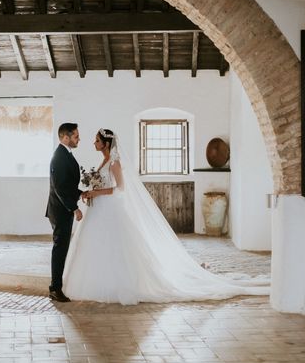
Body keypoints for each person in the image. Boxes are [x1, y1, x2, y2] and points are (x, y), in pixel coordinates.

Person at [62, 128, 269, 305]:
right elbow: (104, 185)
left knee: (117, 248)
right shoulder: (104, 161)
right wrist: (92, 192)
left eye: (97, 140)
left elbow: (120, 188)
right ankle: (100, 281)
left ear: (106, 143)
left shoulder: (115, 162)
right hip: (100, 209)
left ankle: (118, 284)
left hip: (111, 210)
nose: (94, 143)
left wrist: (95, 192)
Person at [46, 123, 86, 302]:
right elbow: (60, 188)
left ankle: (57, 286)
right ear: (65, 137)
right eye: (76, 136)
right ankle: (55, 288)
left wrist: (81, 193)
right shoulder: (59, 157)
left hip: (63, 208)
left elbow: (68, 186)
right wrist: (74, 208)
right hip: (60, 210)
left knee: (62, 248)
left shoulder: (66, 154)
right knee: (60, 248)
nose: (79, 139)